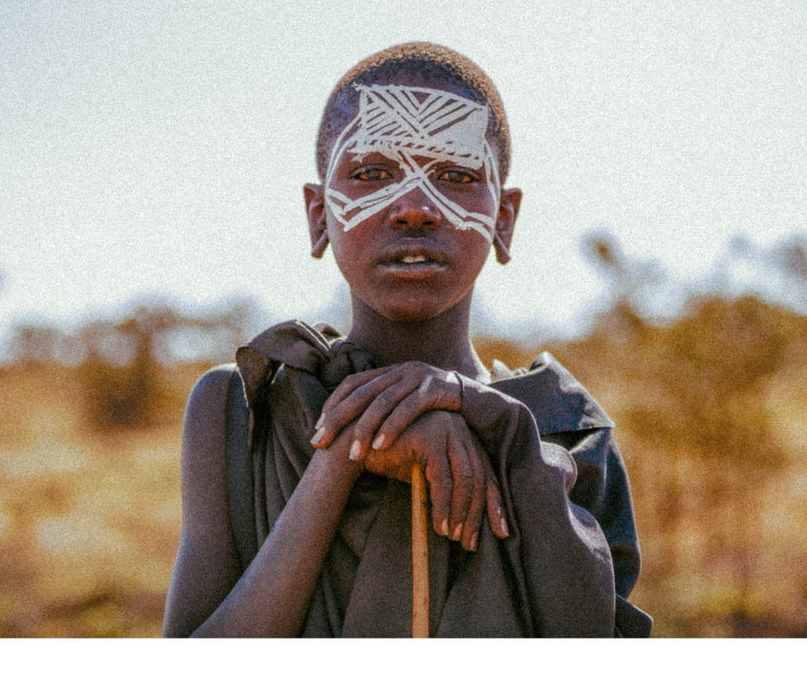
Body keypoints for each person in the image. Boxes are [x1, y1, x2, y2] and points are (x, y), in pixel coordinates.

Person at [162, 41, 651, 637]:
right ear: (319, 215)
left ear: (503, 219)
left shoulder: (566, 431)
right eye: (371, 173)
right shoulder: (240, 409)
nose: (415, 207)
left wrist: (503, 438)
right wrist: (353, 444)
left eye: (455, 175)